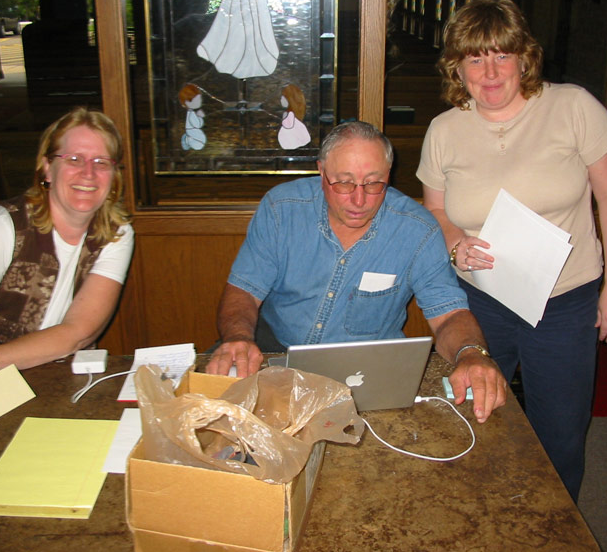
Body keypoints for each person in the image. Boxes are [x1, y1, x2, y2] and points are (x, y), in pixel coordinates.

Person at [416, 0, 607, 500]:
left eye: (501, 55)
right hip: (481, 300)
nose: (489, 71)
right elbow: (436, 211)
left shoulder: (572, 106)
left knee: (559, 430)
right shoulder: (445, 129)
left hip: (564, 300)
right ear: (457, 66)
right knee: (475, 414)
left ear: (525, 58)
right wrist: (455, 245)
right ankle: (484, 516)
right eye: (475, 58)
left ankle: (554, 529)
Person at [207, 121, 507, 424]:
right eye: (344, 183)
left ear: (388, 176)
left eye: (373, 183)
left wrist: (470, 354)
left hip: (365, 372)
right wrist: (238, 337)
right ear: (321, 172)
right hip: (276, 351)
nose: (359, 200)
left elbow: (450, 314)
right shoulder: (281, 209)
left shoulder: (417, 230)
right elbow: (243, 290)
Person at [0, 107, 135, 376]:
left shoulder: (116, 233)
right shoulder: (1, 228)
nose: (88, 173)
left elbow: (79, 332)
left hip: (57, 381)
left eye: (101, 162)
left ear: (114, 176)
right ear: (47, 168)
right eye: (74, 159)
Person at [277, 84, 311, 150]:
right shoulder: (295, 114)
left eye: (283, 97)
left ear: (289, 99)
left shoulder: (289, 115)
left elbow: (287, 126)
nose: (281, 100)